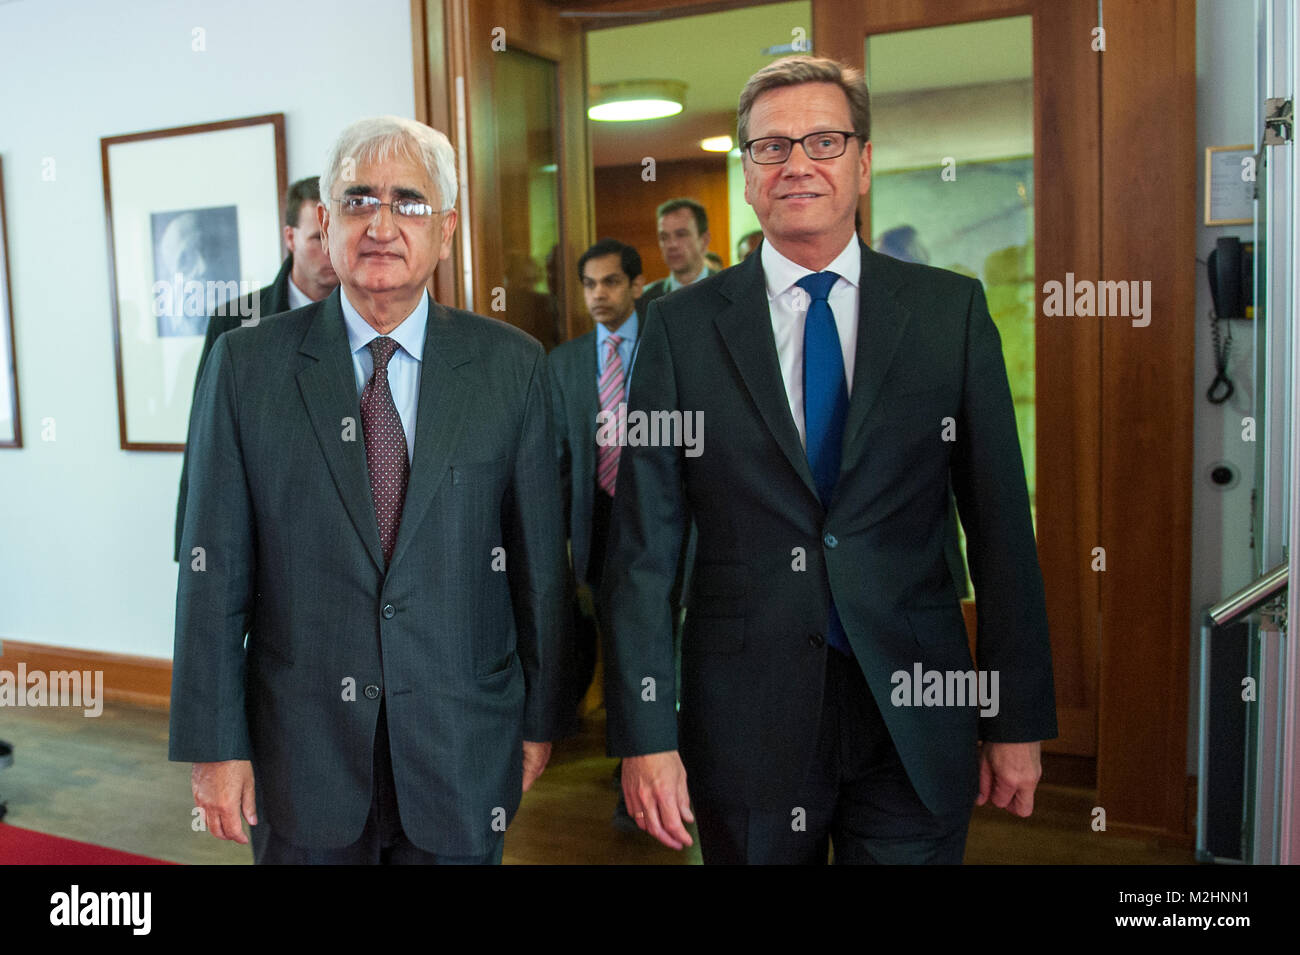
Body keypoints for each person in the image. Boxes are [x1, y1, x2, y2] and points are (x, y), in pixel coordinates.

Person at [599, 55, 1056, 864]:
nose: (797, 164)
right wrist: (644, 732)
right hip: (746, 717)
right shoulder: (678, 329)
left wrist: (1014, 716)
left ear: (865, 160)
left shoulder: (949, 312)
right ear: (746, 174)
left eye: (823, 140)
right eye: (770, 147)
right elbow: (643, 550)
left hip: (915, 705)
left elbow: (1000, 530)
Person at [170, 116, 569, 865]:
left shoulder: (511, 366)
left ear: (445, 231)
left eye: (409, 203)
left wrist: (540, 719)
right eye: (358, 201)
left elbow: (539, 567)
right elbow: (210, 570)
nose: (382, 224)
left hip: (461, 744)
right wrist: (213, 743)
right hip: (301, 754)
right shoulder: (246, 366)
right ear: (324, 222)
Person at [172, 176, 338, 562]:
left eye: (335, 235)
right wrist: (193, 539)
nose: (330, 251)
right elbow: (205, 437)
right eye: (317, 238)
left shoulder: (369, 318)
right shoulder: (235, 321)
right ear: (290, 238)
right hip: (263, 525)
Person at [637, 198, 717, 314]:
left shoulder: (730, 291)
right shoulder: (644, 300)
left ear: (704, 240)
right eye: (664, 237)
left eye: (681, 235)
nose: (671, 245)